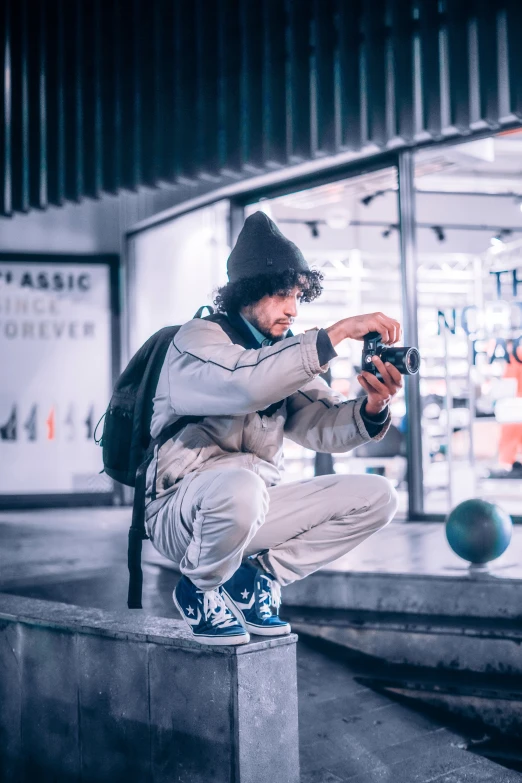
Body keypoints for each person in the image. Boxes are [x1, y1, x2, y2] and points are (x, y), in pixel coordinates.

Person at [145, 212, 402, 645]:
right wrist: (336, 333)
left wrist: (374, 406)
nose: (293, 309)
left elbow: (323, 425)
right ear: (247, 291)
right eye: (283, 294)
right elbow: (246, 383)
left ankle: (256, 578)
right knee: (240, 487)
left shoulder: (281, 354)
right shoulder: (197, 340)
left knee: (378, 498)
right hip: (180, 513)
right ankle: (200, 587)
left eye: (299, 295)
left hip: (250, 510)